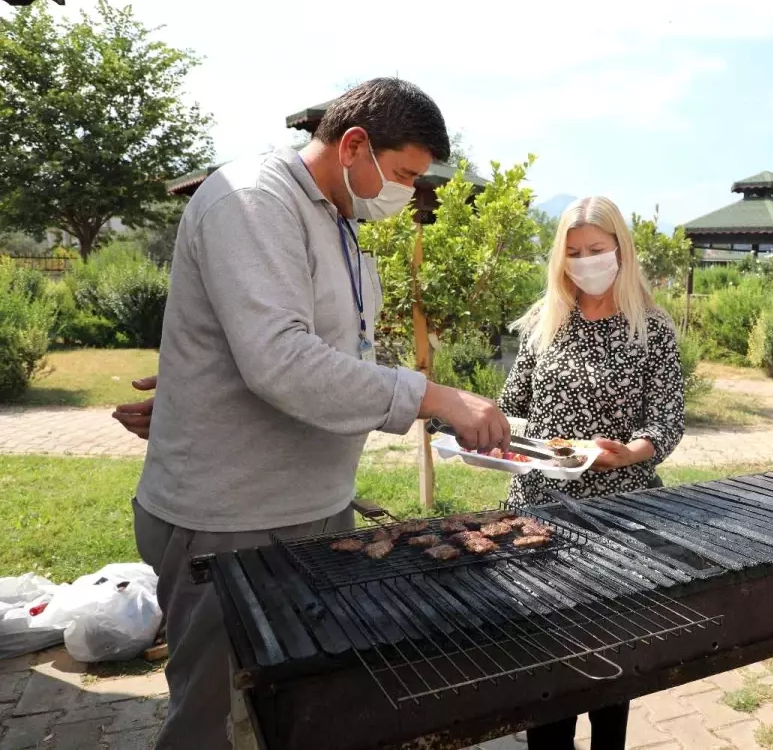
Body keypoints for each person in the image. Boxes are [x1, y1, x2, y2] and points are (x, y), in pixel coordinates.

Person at [111, 78, 509, 750]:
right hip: (229, 520)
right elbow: (279, 359)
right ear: (355, 144)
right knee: (213, 725)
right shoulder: (254, 200)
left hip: (315, 509)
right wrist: (431, 396)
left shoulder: (340, 222)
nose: (409, 193)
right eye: (405, 173)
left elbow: (319, 353)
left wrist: (195, 386)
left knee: (299, 710)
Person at [498, 195, 685, 749]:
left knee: (610, 656)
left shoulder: (650, 327)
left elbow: (667, 416)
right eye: (574, 252)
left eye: (596, 250)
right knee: (544, 654)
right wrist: (506, 440)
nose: (585, 261)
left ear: (621, 251)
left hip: (620, 512)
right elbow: (514, 405)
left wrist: (633, 451)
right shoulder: (544, 321)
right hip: (540, 506)